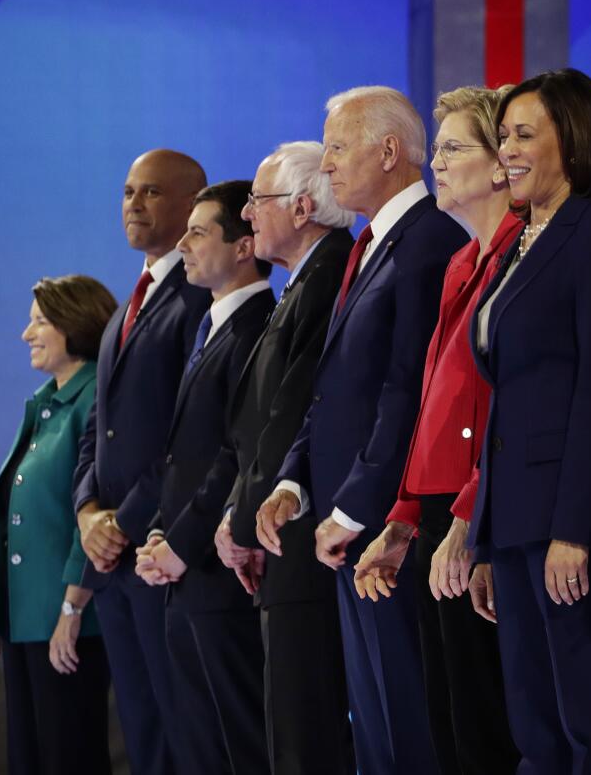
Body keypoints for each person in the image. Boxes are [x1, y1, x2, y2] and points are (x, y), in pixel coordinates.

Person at [256, 87, 467, 775]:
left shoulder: (430, 240)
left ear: (388, 151)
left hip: (390, 527)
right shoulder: (371, 245)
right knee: (376, 728)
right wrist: (293, 478)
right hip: (350, 529)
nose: (330, 165)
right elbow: (333, 384)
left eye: (340, 148)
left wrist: (355, 504)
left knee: (409, 724)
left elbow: (408, 388)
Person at [467, 69, 591, 775]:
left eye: (525, 134)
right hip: (518, 520)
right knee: (537, 723)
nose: (507, 151)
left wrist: (572, 530)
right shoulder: (523, 242)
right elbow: (508, 400)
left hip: (573, 520)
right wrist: (485, 537)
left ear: (576, 143)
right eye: (502, 137)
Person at [352, 86, 522, 775]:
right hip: (437, 518)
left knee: (486, 729)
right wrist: (400, 517)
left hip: (481, 517)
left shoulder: (520, 256)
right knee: (450, 728)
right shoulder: (462, 262)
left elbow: (500, 403)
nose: (438, 162)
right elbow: (433, 407)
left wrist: (462, 518)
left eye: (454, 148)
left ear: (500, 165)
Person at [213, 143, 357, 775]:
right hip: (282, 533)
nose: (247, 215)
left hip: (299, 534)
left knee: (307, 733)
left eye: (256, 201)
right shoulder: (305, 281)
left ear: (302, 208)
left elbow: (291, 412)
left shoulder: (328, 277)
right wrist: (236, 516)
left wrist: (244, 522)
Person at [71, 149, 211, 775]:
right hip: (112, 559)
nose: (132, 203)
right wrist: (86, 511)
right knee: (140, 728)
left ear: (191, 207)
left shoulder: (200, 299)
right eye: (128, 191)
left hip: (160, 549)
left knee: (183, 726)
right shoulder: (130, 304)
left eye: (150, 192)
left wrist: (123, 521)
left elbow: (191, 437)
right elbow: (97, 426)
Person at [133, 180, 277, 774]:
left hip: (222, 573)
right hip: (187, 571)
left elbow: (237, 454)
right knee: (198, 744)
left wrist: (184, 546)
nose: (184, 244)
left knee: (240, 741)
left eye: (199, 231)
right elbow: (181, 456)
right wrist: (162, 534)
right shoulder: (211, 325)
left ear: (244, 246)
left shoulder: (259, 327)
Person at [0, 274, 119, 775]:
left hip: (68, 620)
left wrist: (70, 605)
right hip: (26, 622)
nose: (26, 333)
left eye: (40, 322)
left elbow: (95, 511)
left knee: (68, 755)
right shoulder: (45, 403)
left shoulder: (96, 397)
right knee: (30, 758)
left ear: (74, 325)